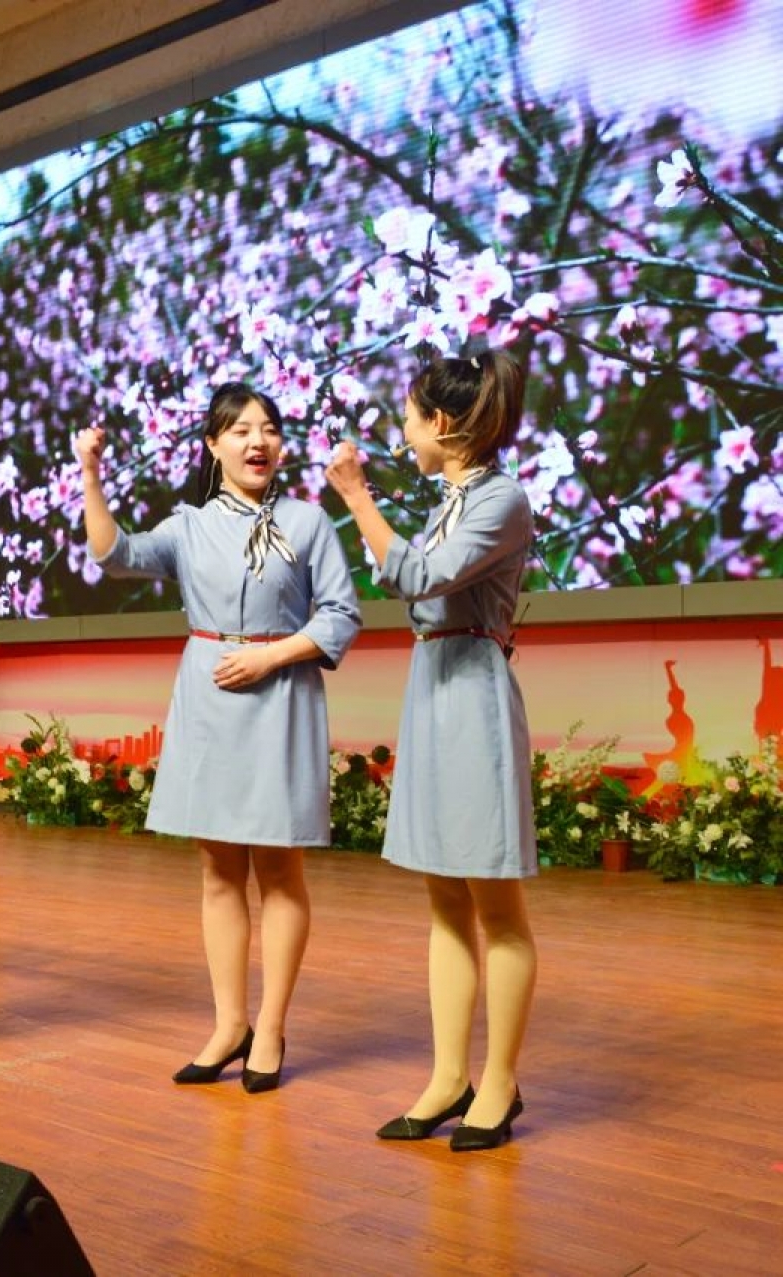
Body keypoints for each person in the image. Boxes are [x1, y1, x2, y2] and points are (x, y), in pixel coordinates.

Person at [76, 383, 361, 1093]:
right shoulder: (189, 526)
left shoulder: (308, 521)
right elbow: (114, 552)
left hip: (281, 694)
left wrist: (272, 655)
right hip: (208, 697)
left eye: (269, 429)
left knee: (280, 869)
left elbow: (341, 613)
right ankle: (229, 1024)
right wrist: (91, 473)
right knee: (218, 870)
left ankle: (271, 1027)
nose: (257, 442)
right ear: (213, 445)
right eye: (240, 430)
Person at [325, 348, 538, 1152]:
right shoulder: (456, 498)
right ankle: (451, 1076)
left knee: (497, 907)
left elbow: (418, 577)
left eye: (411, 417)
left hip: (473, 695)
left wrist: (357, 497)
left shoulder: (501, 499)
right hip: (433, 687)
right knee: (445, 899)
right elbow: (417, 582)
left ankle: (501, 1083)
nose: (403, 431)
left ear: (443, 423)